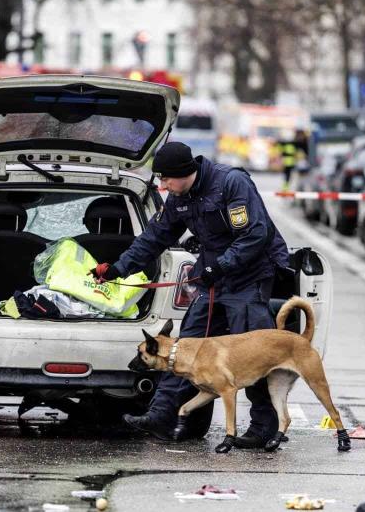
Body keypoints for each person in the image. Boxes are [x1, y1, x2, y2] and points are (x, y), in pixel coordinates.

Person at [91, 141, 290, 447]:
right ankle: (160, 415)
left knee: (252, 355)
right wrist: (118, 269)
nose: (162, 185)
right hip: (213, 281)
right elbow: (154, 237)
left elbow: (255, 234)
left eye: (166, 179)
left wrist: (220, 266)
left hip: (248, 279)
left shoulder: (230, 183)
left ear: (185, 173)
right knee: (179, 350)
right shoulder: (179, 197)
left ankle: (263, 426)